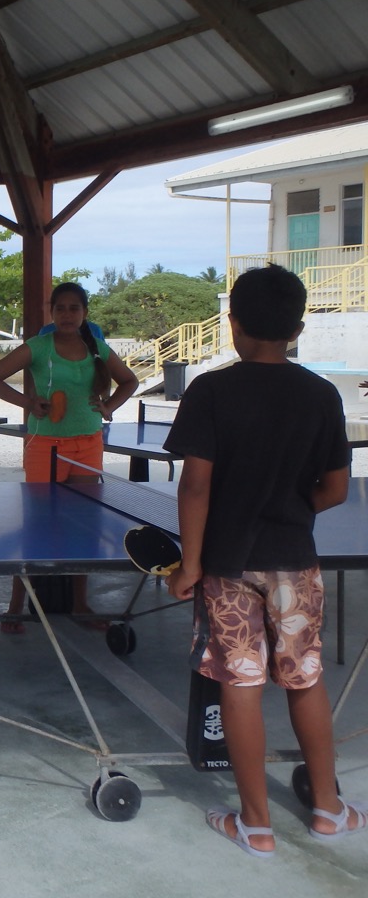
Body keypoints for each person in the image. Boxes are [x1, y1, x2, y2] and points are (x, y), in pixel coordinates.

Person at [164, 264, 363, 857]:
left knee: (241, 684)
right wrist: (295, 509)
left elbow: (195, 487)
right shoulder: (321, 393)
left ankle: (255, 823)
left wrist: (190, 564)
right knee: (304, 679)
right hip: (294, 562)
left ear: (233, 325)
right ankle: (328, 809)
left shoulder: (211, 390)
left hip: (226, 565)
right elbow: (335, 490)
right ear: (297, 328)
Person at [0, 282, 138, 633]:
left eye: (74, 308)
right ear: (52, 314)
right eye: (60, 309)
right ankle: (15, 607)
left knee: (84, 527)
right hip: (45, 445)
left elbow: (129, 381)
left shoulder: (97, 347)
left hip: (88, 444)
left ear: (85, 313)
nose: (67, 315)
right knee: (35, 526)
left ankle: (80, 603)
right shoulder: (38, 347)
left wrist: (109, 407)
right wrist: (27, 403)